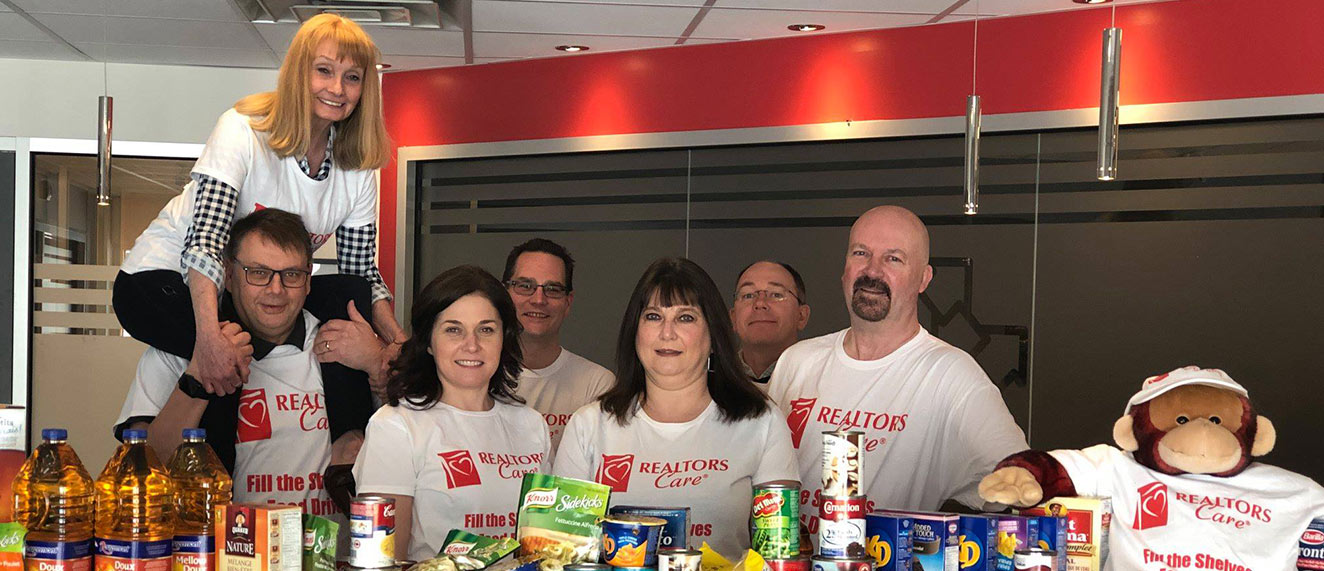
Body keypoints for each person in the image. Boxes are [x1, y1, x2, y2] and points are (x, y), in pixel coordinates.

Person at [112, 13, 401, 441]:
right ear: (298, 73)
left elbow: (361, 272)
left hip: (241, 286)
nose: (337, 89)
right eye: (324, 71)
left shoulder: (356, 165)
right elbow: (207, 241)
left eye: (352, 78)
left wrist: (395, 343)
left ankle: (347, 448)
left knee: (346, 295)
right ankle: (219, 486)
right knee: (231, 351)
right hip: (162, 282)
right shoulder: (244, 129)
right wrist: (208, 338)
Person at [766, 206, 1028, 538]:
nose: (872, 271)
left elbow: (1022, 479)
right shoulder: (797, 361)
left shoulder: (951, 375)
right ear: (845, 268)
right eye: (861, 253)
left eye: (893, 259)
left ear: (923, 279)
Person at [114, 208, 384, 517]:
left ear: (309, 281)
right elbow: (142, 469)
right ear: (227, 275)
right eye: (258, 273)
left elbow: (417, 436)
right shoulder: (176, 351)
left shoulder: (348, 343)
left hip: (330, 554)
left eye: (291, 275)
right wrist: (199, 376)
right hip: (226, 552)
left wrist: (376, 362)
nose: (276, 289)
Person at [555, 257, 798, 560]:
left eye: (686, 318)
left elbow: (780, 553)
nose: (667, 332)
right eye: (654, 316)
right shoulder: (589, 425)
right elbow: (563, 554)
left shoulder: (761, 421)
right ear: (635, 331)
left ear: (713, 338)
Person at [353, 266, 551, 559]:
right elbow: (382, 560)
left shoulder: (531, 425)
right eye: (453, 330)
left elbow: (547, 545)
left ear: (503, 339)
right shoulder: (395, 426)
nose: (471, 345)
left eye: (486, 330)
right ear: (429, 343)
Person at [502, 239, 613, 451]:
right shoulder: (478, 376)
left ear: (568, 302)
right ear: (504, 294)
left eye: (552, 289)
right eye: (525, 286)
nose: (538, 299)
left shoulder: (597, 385)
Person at [730, 260, 810, 387]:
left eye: (776, 294)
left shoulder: (825, 379)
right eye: (748, 295)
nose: (760, 303)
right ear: (733, 318)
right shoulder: (705, 384)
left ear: (801, 316)